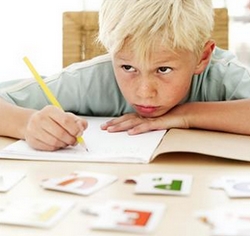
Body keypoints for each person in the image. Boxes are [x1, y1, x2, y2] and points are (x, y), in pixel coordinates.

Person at [0, 0, 250, 151]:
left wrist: (185, 115)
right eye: (128, 68)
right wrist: (27, 124)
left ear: (202, 57)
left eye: (163, 70)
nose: (144, 91)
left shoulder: (222, 75)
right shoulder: (93, 79)